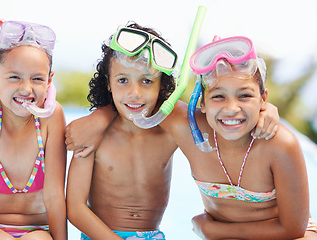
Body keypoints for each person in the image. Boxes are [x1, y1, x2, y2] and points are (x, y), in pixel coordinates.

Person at [65, 23, 279, 240]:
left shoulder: (171, 128)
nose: (134, 93)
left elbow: (222, 114)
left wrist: (266, 109)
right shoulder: (93, 135)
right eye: (122, 80)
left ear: (162, 86)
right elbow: (74, 208)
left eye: (147, 81)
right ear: (108, 83)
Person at [186, 36, 317, 239]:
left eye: (245, 96)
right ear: (202, 103)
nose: (231, 108)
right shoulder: (187, 127)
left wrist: (211, 231)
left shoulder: (279, 144)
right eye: (218, 96)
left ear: (263, 99)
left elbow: (294, 229)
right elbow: (137, 106)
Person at [0, 20, 67, 239]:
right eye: (15, 77)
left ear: (49, 81)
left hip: (38, 230)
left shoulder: (51, 117)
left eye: (37, 79)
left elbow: (55, 196)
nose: (26, 89)